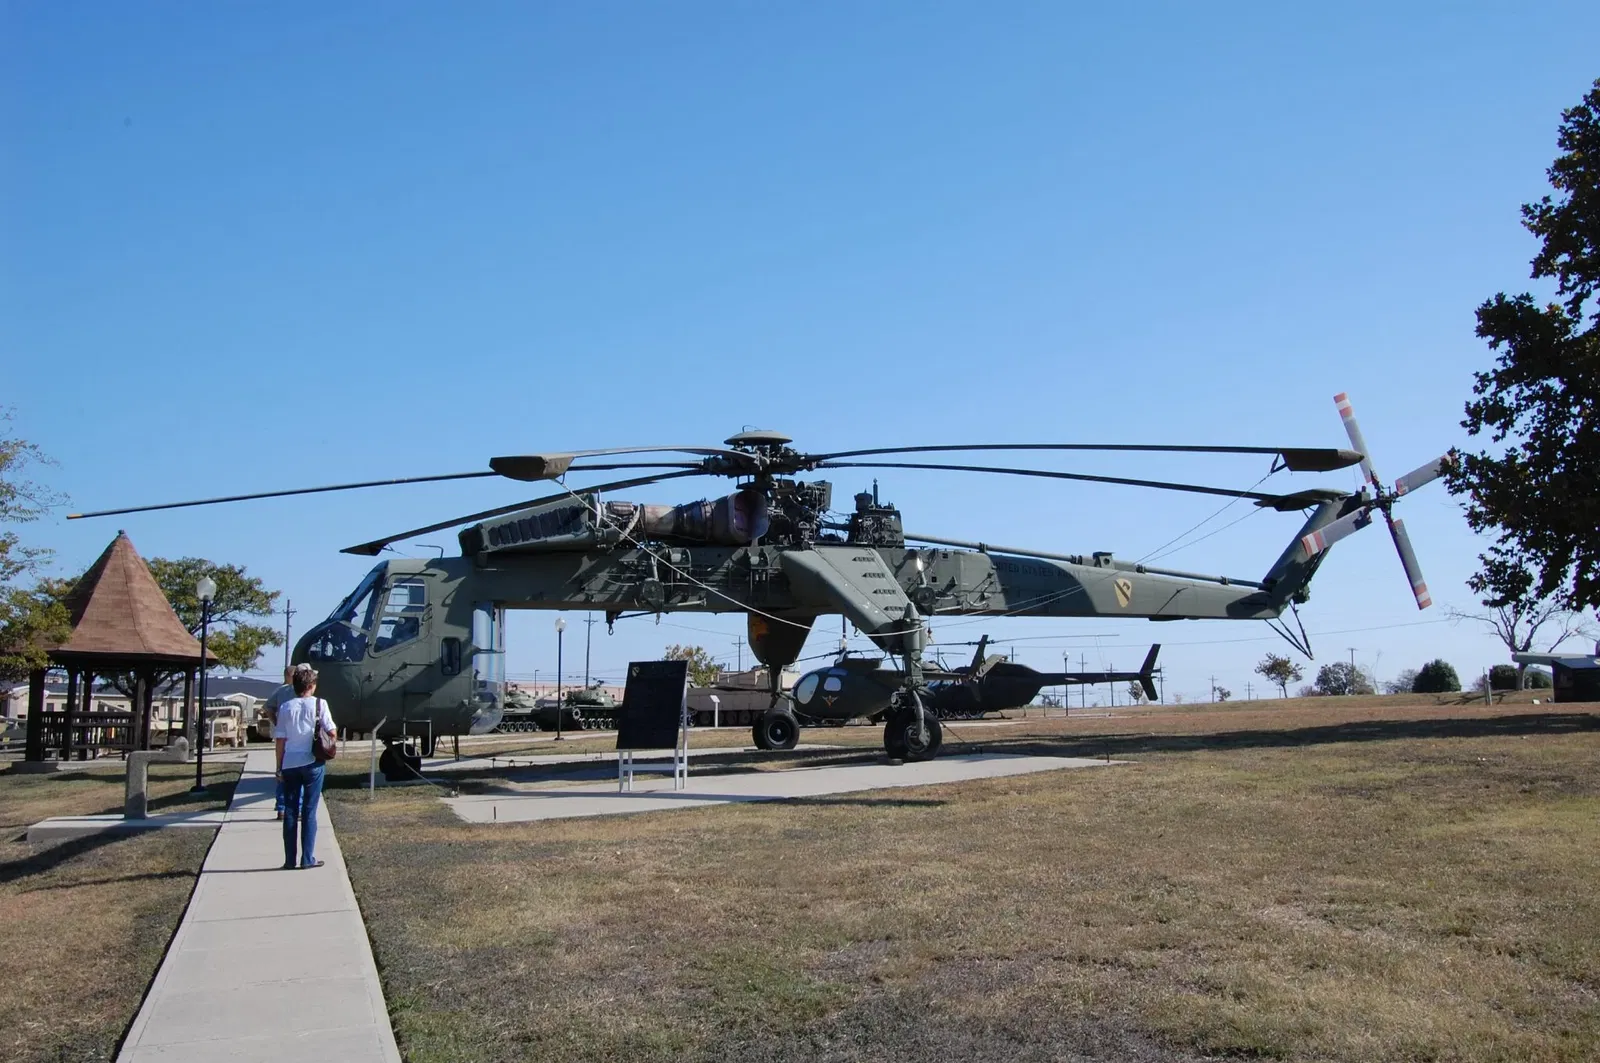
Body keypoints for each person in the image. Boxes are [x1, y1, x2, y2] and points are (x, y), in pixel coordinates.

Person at [273, 667, 335, 870]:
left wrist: (279, 767)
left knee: (290, 811)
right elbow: (331, 731)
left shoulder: (285, 707)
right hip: (312, 761)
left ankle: (289, 860)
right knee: (309, 811)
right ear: (311, 686)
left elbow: (280, 740)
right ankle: (307, 858)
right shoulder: (320, 704)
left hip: (290, 762)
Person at [262, 664, 311, 820]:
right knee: (302, 773)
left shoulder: (282, 691)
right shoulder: (305, 694)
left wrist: (277, 723)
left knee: (282, 772)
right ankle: (299, 808)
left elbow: (268, 707)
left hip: (284, 738)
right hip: (302, 738)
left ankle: (282, 807)